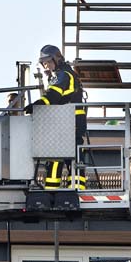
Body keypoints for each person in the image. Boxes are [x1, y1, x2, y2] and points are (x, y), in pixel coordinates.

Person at [25, 45, 87, 189]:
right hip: (64, 121)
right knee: (55, 155)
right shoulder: (61, 74)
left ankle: (76, 189)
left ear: (56, 59)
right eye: (43, 63)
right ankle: (52, 189)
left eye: (48, 61)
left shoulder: (64, 75)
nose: (46, 65)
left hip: (72, 121)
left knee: (73, 156)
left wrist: (38, 104)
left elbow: (54, 95)